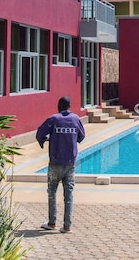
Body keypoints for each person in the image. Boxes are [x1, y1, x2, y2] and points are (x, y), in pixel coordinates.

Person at [36, 96, 85, 233]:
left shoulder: (54, 119)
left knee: (52, 192)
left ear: (59, 105)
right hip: (70, 163)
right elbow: (82, 136)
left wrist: (45, 140)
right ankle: (67, 226)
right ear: (69, 106)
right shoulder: (75, 119)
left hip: (55, 163)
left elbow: (40, 133)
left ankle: (52, 222)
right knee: (68, 195)